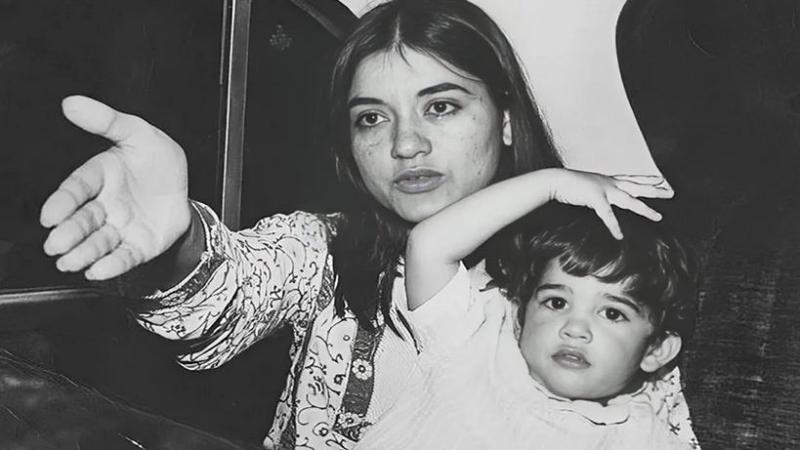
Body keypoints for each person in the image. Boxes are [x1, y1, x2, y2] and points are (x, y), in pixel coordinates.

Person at [37, 0, 692, 448]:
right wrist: (176, 241)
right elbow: (227, 291)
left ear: (506, 120)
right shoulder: (324, 248)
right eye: (372, 118)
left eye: (441, 106)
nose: (405, 144)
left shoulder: (593, 267)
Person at [354, 169, 700, 449]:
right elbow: (428, 245)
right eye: (557, 302)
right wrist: (552, 184)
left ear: (656, 350)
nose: (574, 328)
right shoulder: (474, 344)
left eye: (612, 313)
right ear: (520, 315)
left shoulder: (639, 437)